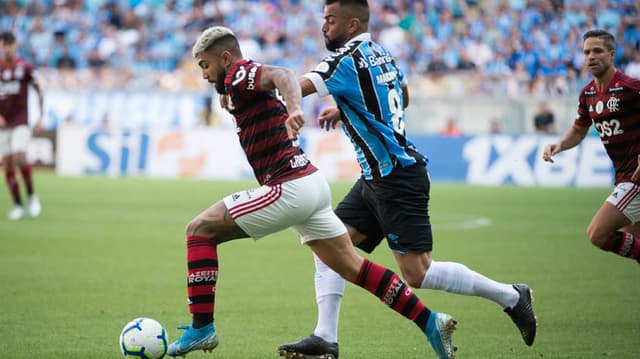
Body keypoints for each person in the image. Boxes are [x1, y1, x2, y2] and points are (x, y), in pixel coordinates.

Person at [166, 26, 456, 359]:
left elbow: (283, 75)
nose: (203, 74)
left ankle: (202, 328)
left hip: (288, 186)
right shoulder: (232, 84)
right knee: (352, 268)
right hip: (311, 185)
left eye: (205, 65)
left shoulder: (239, 72)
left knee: (199, 230)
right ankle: (431, 321)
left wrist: (294, 108)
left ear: (226, 57)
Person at [278, 1, 537, 358]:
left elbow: (294, 85)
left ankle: (511, 295)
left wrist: (254, 90)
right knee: (327, 244)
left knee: (417, 272)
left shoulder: (345, 58)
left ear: (352, 24)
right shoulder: (380, 52)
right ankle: (325, 337)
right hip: (376, 177)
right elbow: (404, 94)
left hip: (397, 178)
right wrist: (349, 106)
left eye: (330, 20)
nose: (324, 27)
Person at [543, 29, 640, 263]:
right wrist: (559, 144)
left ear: (612, 54)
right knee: (634, 244)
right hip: (623, 176)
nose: (591, 56)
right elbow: (579, 130)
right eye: (586, 52)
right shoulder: (587, 94)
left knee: (598, 233)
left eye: (597, 51)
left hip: (635, 178)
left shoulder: (630, 87)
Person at [0, 31, 43, 220]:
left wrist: (40, 116)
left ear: (15, 46)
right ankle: (18, 205)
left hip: (20, 121)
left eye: (10, 44)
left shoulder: (25, 67)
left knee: (20, 157)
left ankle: (32, 196)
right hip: (3, 124)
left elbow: (40, 88)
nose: (7, 48)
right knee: (7, 165)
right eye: (4, 44)